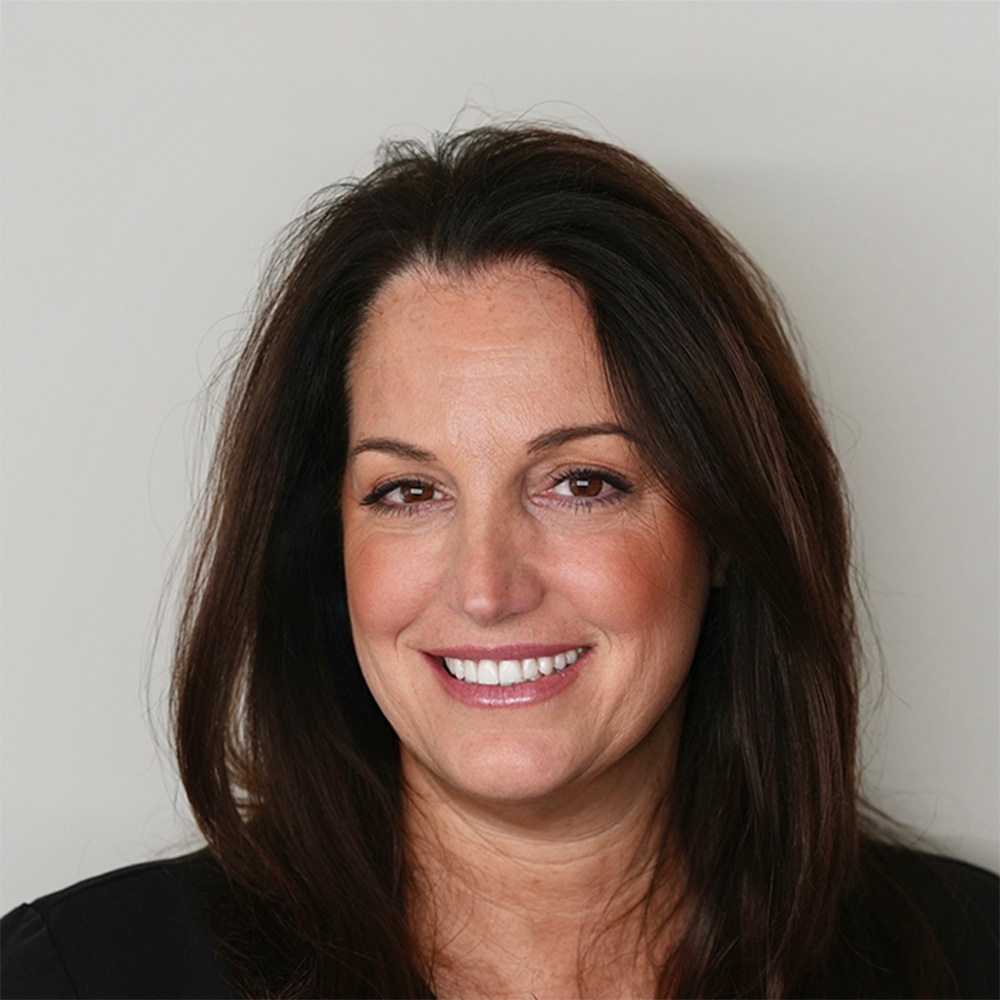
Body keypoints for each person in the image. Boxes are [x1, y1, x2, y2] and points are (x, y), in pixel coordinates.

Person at [2, 125, 997, 1000]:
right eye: (408, 491)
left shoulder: (971, 960)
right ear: (324, 542)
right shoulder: (76, 976)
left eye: (581, 483)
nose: (486, 587)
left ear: (728, 525)